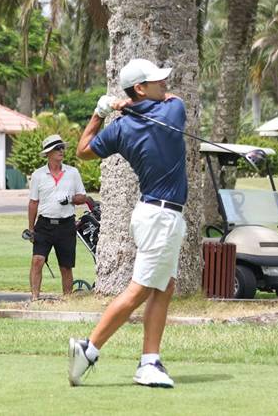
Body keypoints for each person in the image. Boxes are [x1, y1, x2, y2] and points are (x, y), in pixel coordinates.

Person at [69, 58, 187, 388]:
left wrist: (101, 112)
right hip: (160, 217)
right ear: (140, 88)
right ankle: (88, 349)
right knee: (140, 290)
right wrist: (128, 106)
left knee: (164, 286)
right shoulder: (172, 112)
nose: (164, 84)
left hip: (158, 214)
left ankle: (150, 361)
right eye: (156, 81)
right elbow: (174, 99)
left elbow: (83, 150)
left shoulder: (119, 128)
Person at [27, 134, 88, 300]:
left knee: (66, 266)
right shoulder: (38, 175)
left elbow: (83, 197)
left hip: (66, 225)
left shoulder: (72, 173)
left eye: (62, 147)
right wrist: (31, 229)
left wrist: (70, 198)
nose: (61, 151)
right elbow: (33, 203)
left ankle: (67, 299)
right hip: (44, 225)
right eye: (57, 148)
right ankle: (35, 298)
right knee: (37, 260)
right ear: (48, 153)